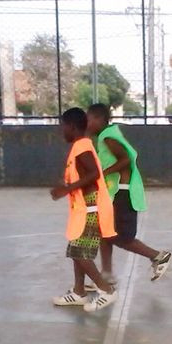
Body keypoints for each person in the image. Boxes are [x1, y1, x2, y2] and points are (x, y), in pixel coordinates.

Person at [86, 103, 171, 286]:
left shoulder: (108, 137)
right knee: (104, 231)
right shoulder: (106, 135)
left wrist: (104, 173)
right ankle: (107, 273)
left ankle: (157, 256)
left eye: (89, 119)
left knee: (120, 237)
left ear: (99, 119)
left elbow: (126, 159)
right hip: (115, 192)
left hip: (122, 193)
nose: (87, 123)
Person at [51, 107, 118, 312]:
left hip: (91, 207)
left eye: (63, 126)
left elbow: (95, 173)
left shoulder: (82, 146)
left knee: (79, 252)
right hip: (83, 207)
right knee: (76, 250)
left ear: (71, 126)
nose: (62, 131)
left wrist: (67, 189)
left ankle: (107, 290)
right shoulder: (80, 145)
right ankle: (79, 292)